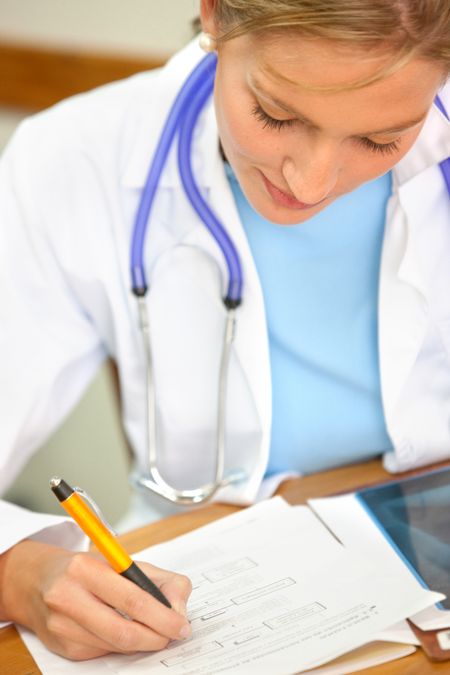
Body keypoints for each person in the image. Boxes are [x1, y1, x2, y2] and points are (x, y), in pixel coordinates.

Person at [0, 0, 449, 662]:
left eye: (381, 140)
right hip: (195, 589)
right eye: (277, 116)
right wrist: (17, 573)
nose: (314, 180)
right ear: (214, 14)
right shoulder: (72, 161)